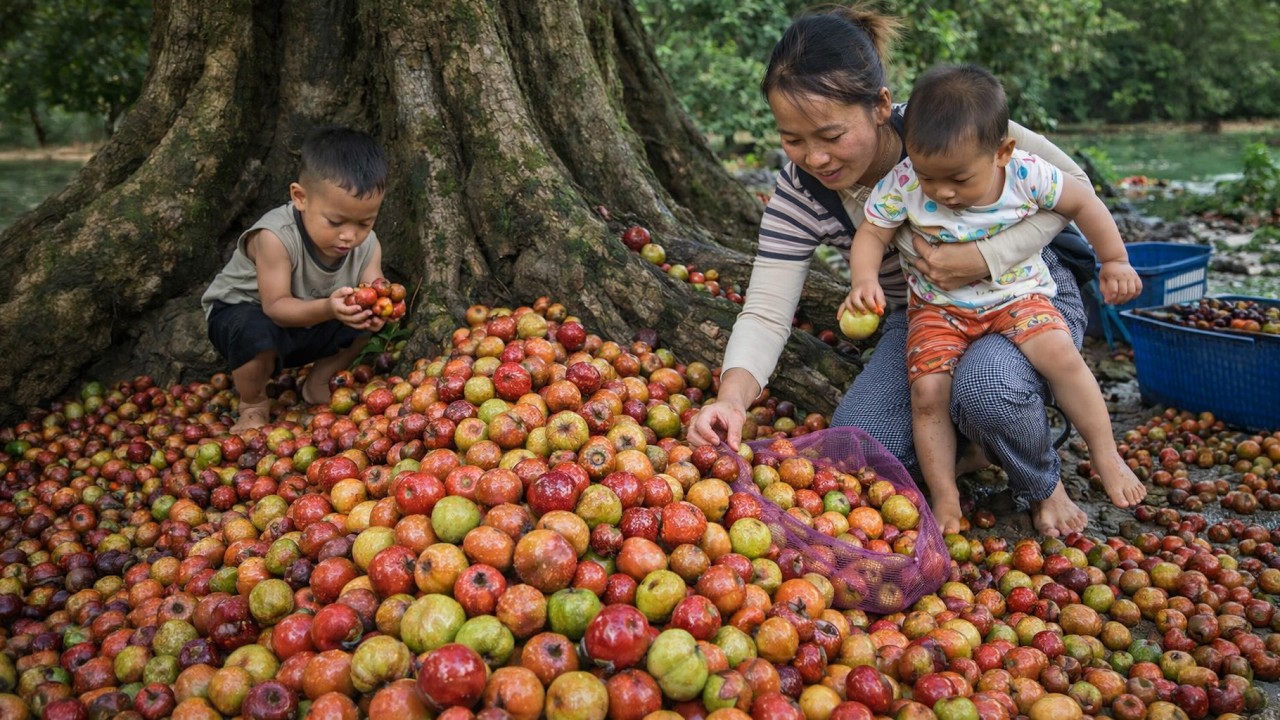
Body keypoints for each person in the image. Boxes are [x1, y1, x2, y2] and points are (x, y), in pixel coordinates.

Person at [686, 5, 1111, 537]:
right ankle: (978, 444)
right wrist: (730, 400)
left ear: (881, 106)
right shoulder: (799, 194)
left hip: (1024, 293)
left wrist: (985, 257)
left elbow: (1077, 190)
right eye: (793, 139)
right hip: (924, 319)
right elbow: (768, 312)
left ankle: (1043, 482)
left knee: (986, 386)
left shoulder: (950, 124)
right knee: (859, 454)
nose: (815, 157)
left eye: (831, 135)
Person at [840, 64, 1146, 534]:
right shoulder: (904, 182)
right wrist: (863, 279)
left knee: (1060, 356)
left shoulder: (1026, 172)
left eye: (959, 180)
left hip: (1018, 295)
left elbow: (1083, 201)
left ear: (1002, 153)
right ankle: (945, 497)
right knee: (927, 393)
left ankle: (1106, 455)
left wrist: (1116, 260)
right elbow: (872, 232)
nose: (941, 192)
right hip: (938, 309)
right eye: (929, 176)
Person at [201, 126, 388, 433]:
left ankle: (318, 382)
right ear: (300, 198)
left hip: (310, 320)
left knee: (363, 321)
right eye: (336, 221)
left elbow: (374, 289)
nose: (349, 236)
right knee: (252, 329)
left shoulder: (367, 245)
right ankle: (252, 404)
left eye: (365, 223)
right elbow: (274, 306)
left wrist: (381, 309)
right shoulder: (275, 237)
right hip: (251, 317)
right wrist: (330, 308)